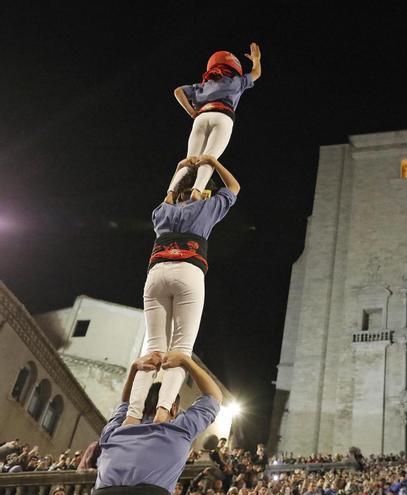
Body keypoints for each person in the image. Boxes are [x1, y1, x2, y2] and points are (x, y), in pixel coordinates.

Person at [124, 155, 240, 426]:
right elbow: (234, 187)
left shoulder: (162, 211)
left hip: (156, 273)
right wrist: (213, 161)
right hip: (188, 271)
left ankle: (132, 415)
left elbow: (172, 189)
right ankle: (163, 411)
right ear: (203, 190)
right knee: (181, 348)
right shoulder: (206, 207)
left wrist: (181, 168)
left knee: (152, 348)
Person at [95, 351, 223, 494]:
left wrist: (134, 369)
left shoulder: (114, 432)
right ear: (174, 408)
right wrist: (186, 361)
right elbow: (215, 396)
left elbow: (125, 403)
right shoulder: (179, 432)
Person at [168, 43, 261, 201]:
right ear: (234, 67)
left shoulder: (203, 85)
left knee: (190, 159)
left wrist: (192, 112)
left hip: (201, 118)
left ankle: (170, 195)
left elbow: (178, 91)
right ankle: (197, 191)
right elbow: (256, 73)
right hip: (223, 117)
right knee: (209, 158)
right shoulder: (236, 81)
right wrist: (256, 60)